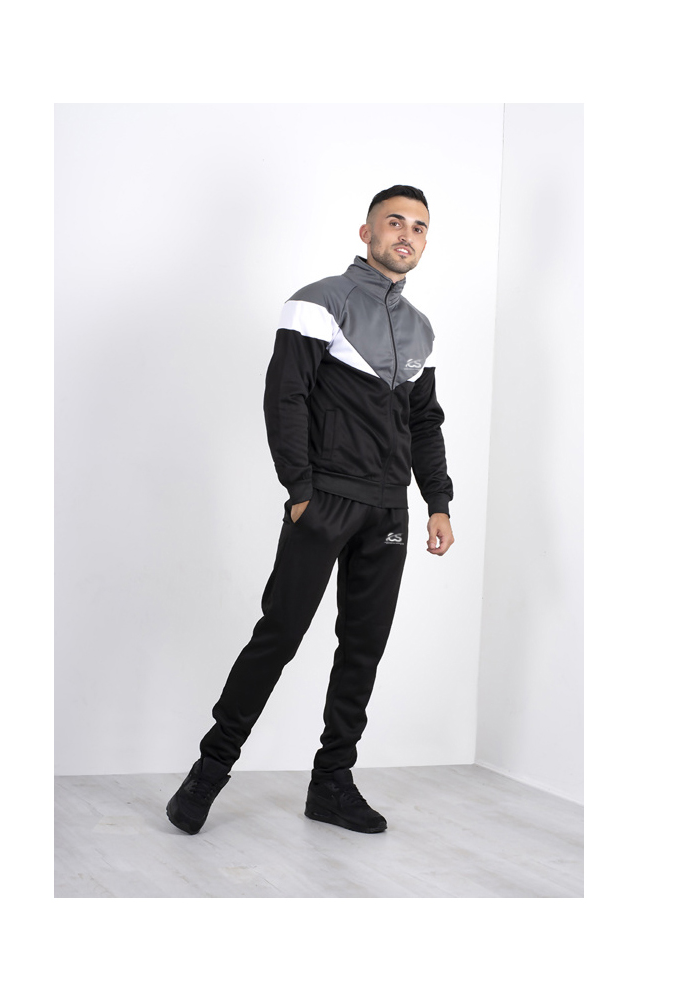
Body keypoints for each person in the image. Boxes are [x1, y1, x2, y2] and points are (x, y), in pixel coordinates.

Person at [167, 184, 454, 836]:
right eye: (394, 222)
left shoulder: (422, 330)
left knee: (363, 648)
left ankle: (332, 785)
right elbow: (286, 397)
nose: (406, 235)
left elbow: (424, 422)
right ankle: (208, 773)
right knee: (280, 636)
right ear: (367, 232)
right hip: (325, 500)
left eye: (418, 227)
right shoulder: (318, 302)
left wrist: (437, 501)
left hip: (388, 511)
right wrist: (299, 490)